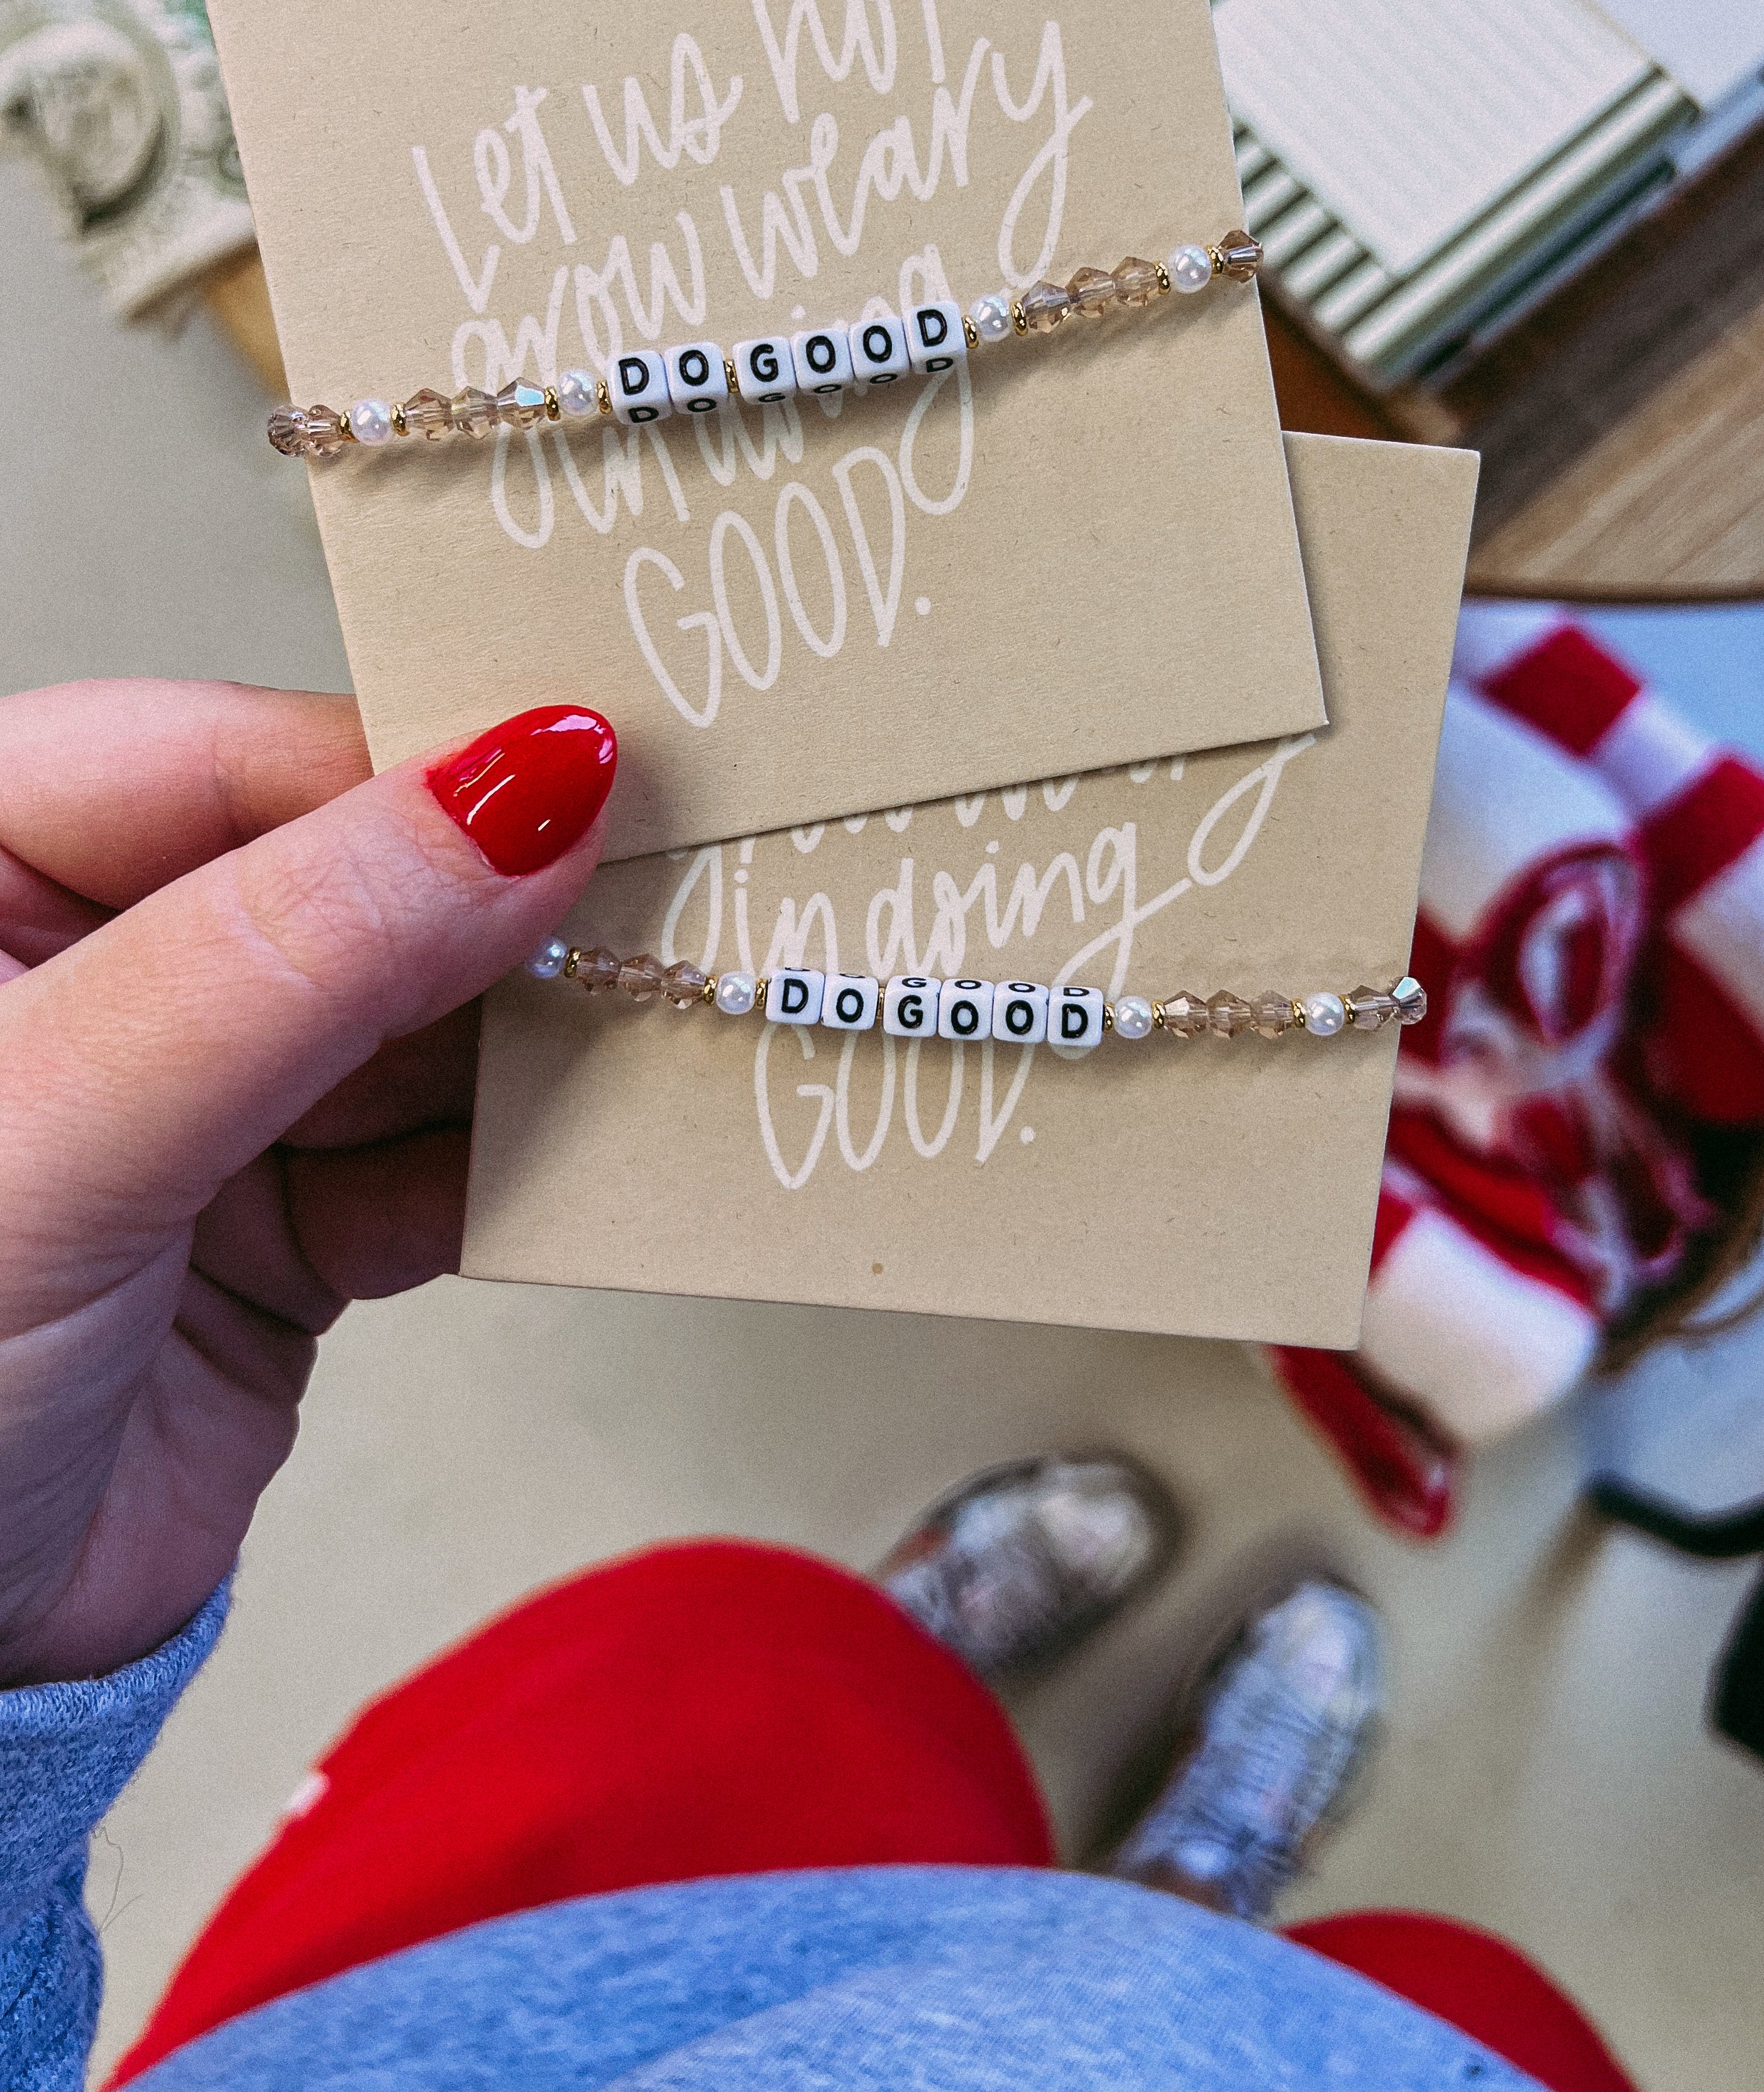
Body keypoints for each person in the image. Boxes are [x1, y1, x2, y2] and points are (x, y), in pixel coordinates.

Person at [0, 682, 1639, 2091]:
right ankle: (1186, 1904)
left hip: (517, 2012)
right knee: (1352, 2004)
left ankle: (904, 1702)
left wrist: (16, 1701)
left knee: (762, 1704)